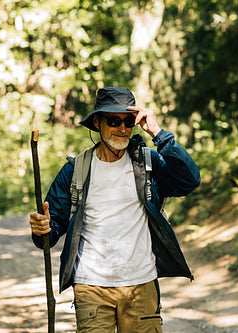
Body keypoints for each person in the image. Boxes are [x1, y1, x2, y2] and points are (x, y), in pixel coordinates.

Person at [29, 87, 201, 332]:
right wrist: (42, 229)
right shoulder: (75, 171)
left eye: (128, 121)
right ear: (97, 123)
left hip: (141, 285)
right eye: (114, 120)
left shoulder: (149, 164)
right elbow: (51, 229)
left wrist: (158, 133)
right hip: (91, 286)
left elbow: (189, 181)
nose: (122, 128)